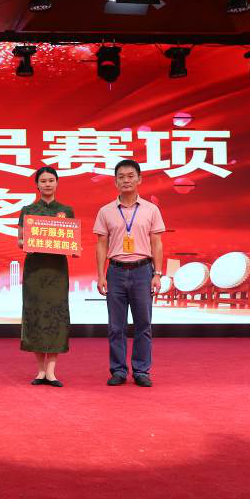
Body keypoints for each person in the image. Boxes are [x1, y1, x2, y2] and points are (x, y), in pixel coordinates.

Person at [93, 159, 166, 387]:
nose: (126, 180)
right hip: (115, 271)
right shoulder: (105, 211)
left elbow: (157, 243)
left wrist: (157, 273)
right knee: (116, 326)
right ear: (115, 182)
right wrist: (101, 275)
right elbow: (101, 245)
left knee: (144, 325)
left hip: (143, 271)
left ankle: (141, 370)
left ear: (139, 179)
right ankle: (118, 370)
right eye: (121, 177)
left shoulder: (151, 210)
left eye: (130, 176)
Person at [17, 166, 75, 387]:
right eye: (43, 181)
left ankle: (51, 371)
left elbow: (71, 240)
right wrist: (28, 243)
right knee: (36, 315)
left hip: (57, 270)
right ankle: (40, 370)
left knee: (56, 316)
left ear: (57, 183)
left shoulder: (66, 211)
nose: (47, 184)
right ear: (37, 185)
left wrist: (74, 248)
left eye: (51, 180)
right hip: (35, 270)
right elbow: (20, 241)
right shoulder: (28, 210)